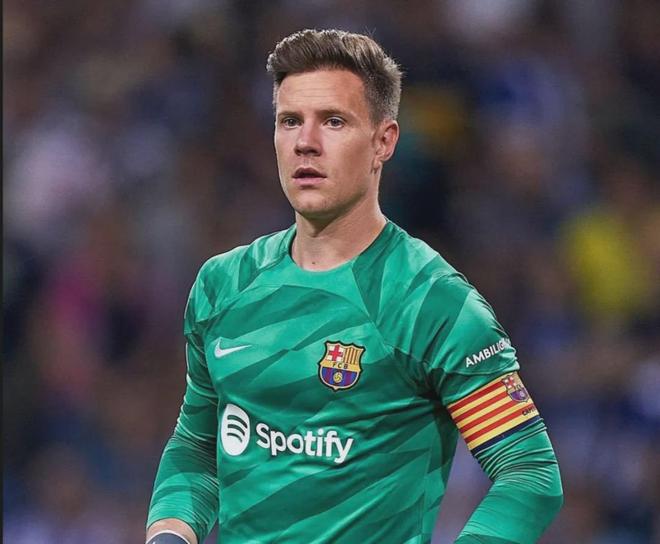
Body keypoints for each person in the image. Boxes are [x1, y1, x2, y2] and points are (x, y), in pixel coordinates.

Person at [146, 29, 563, 544]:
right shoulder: (222, 285)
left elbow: (528, 474)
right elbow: (197, 446)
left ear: (383, 142)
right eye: (290, 120)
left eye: (334, 121)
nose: (305, 142)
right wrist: (169, 534)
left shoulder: (432, 302)